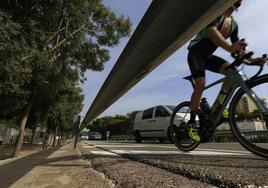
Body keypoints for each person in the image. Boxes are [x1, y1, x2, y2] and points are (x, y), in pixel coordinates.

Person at [187, 0, 267, 142]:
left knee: (232, 73)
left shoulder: (234, 25)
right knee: (200, 84)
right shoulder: (217, 13)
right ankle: (191, 123)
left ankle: (218, 107)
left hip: (207, 56)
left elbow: (238, 50)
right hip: (196, 52)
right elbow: (212, 32)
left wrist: (253, 61)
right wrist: (230, 48)